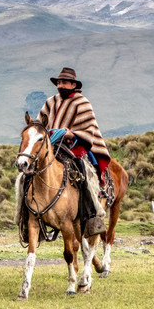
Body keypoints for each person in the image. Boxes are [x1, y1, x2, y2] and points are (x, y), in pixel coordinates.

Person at [38, 67, 108, 236]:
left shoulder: (82, 103)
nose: (60, 85)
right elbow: (40, 124)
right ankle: (30, 217)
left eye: (64, 82)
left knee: (83, 172)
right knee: (30, 171)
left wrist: (72, 133)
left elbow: (88, 128)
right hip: (50, 145)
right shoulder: (50, 102)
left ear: (73, 84)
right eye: (59, 82)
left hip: (74, 145)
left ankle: (92, 215)